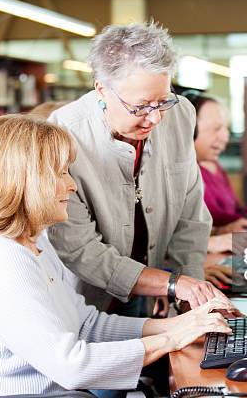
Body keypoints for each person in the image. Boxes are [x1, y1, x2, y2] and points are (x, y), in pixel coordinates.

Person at [0, 114, 234, 398]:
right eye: (60, 173)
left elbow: (87, 326)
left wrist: (183, 325)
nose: (72, 185)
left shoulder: (33, 244)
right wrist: (170, 339)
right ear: (21, 181)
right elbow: (71, 366)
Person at [47, 22, 231, 316]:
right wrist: (171, 284)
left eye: (163, 101)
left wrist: (190, 295)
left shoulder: (181, 113)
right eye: (142, 106)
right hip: (87, 303)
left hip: (155, 287)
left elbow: (190, 212)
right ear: (102, 91)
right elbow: (80, 250)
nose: (156, 118)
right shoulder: (61, 134)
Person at [186, 92, 247, 234]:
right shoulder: (188, 173)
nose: (225, 137)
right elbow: (214, 218)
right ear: (188, 130)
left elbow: (236, 211)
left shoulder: (214, 166)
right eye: (216, 129)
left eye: (225, 128)